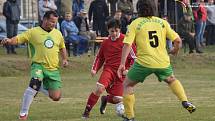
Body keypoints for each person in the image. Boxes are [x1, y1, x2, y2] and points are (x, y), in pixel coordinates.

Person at [117, 0, 196, 121]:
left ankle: (130, 117)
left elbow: (127, 44)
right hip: (162, 62)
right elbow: (178, 41)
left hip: (143, 63)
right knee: (171, 79)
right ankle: (185, 101)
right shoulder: (162, 22)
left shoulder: (135, 23)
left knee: (128, 85)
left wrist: (122, 64)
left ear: (138, 9)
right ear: (154, 8)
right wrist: (174, 51)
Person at [1, 11, 68, 120]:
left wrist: (65, 59)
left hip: (53, 69)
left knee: (56, 97)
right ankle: (23, 113)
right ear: (44, 19)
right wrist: (9, 40)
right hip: (38, 65)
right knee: (35, 82)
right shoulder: (33, 32)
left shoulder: (57, 33)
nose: (53, 24)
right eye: (51, 21)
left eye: (55, 22)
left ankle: (39, 87)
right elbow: (19, 38)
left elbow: (62, 47)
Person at [82, 19, 136, 119]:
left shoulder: (126, 40)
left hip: (122, 74)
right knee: (99, 88)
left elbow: (134, 58)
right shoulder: (105, 43)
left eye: (116, 31)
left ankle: (106, 99)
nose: (114, 33)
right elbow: (100, 57)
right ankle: (87, 111)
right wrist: (95, 69)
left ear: (120, 30)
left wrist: (128, 69)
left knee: (117, 99)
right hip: (109, 70)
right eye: (112, 31)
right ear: (108, 30)